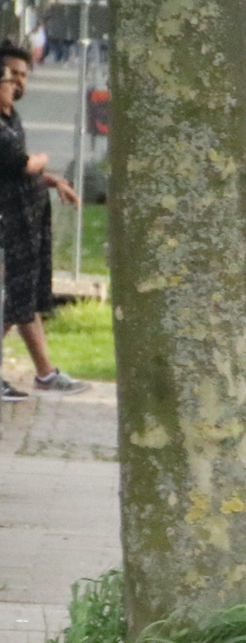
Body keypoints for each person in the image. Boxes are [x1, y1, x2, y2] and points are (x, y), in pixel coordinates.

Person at [0, 42, 84, 398]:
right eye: (8, 78)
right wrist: (39, 161)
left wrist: (52, 180)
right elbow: (20, 164)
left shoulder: (10, 117)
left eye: (21, 77)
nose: (16, 85)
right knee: (15, 299)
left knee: (22, 298)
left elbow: (19, 171)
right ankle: (46, 374)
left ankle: (46, 374)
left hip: (26, 222)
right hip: (9, 224)